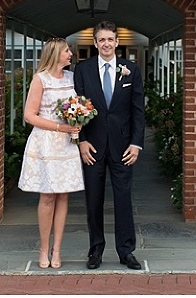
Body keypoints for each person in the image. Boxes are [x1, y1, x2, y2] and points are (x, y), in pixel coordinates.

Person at [74, 21, 146, 271]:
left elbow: (138, 110)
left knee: (123, 199)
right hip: (92, 146)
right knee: (93, 200)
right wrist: (81, 141)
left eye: (110, 39)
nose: (106, 44)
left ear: (117, 42)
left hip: (123, 147)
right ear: (95, 43)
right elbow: (77, 108)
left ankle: (126, 251)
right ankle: (95, 251)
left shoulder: (131, 70)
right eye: (101, 39)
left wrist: (136, 143)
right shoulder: (82, 70)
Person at [18, 38, 84, 269]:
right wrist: (60, 127)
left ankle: (58, 250)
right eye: (67, 50)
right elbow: (30, 115)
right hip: (46, 143)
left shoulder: (72, 78)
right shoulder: (40, 79)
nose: (70, 54)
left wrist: (79, 120)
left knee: (63, 195)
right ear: (55, 54)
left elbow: (80, 105)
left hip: (67, 143)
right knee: (47, 196)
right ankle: (43, 249)